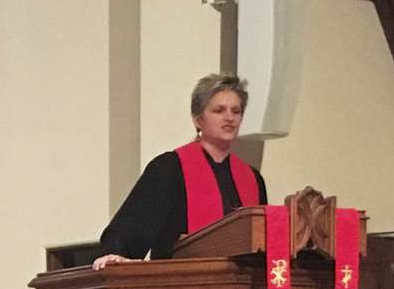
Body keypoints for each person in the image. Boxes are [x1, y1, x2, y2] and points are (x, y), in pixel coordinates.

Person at [93, 73, 268, 270]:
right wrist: (116, 253)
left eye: (236, 111)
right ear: (197, 119)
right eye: (219, 110)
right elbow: (130, 228)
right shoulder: (169, 169)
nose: (229, 117)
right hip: (182, 287)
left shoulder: (252, 178)